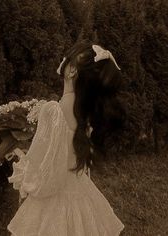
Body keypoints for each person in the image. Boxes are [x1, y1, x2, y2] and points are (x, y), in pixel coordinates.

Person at [7, 41, 125, 236]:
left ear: (71, 70)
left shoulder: (54, 110)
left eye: (67, 57)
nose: (63, 60)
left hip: (52, 199)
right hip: (81, 193)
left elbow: (42, 166)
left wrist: (26, 186)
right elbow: (68, 155)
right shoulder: (86, 112)